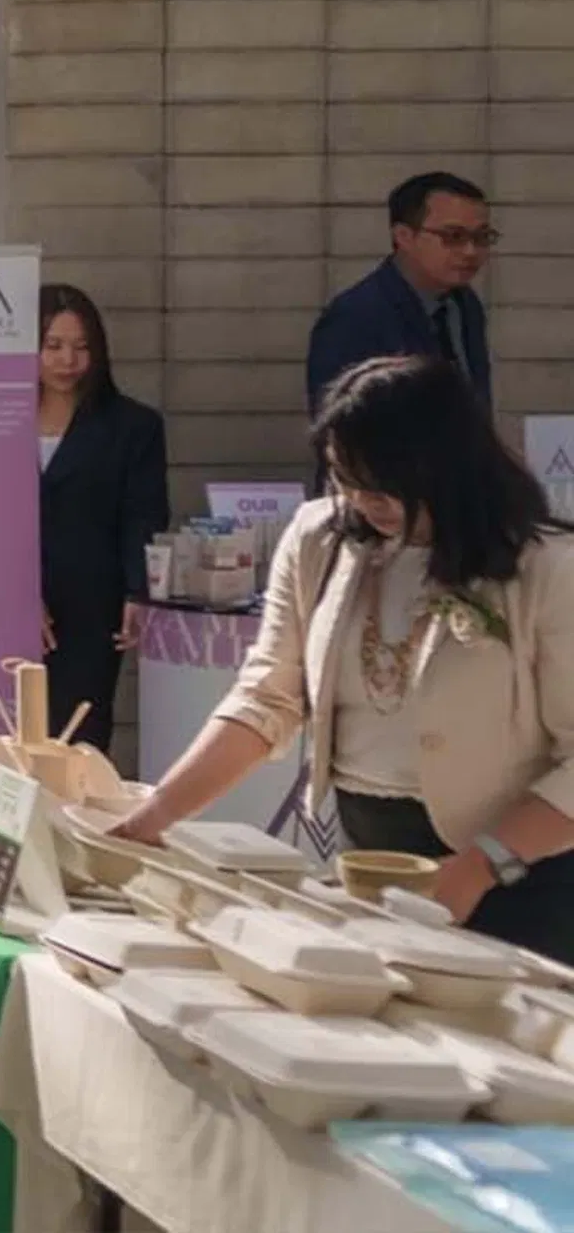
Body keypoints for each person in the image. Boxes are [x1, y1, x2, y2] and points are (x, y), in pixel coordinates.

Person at [115, 356, 574, 963]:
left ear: (444, 468)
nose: (362, 502)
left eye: (381, 485)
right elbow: (267, 697)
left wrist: (484, 862)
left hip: (518, 869)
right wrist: (157, 814)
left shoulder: (546, 566)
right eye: (344, 479)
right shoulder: (318, 540)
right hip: (368, 853)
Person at [36, 282, 168, 757]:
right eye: (52, 346)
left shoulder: (133, 427)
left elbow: (144, 513)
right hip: (6, 600)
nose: (66, 360)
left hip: (90, 607)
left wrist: (139, 590)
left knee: (78, 742)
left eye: (80, 347)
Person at [310, 171, 496, 417]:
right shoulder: (356, 316)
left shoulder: (465, 305)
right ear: (404, 237)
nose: (471, 251)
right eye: (454, 237)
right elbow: (336, 428)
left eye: (481, 237)